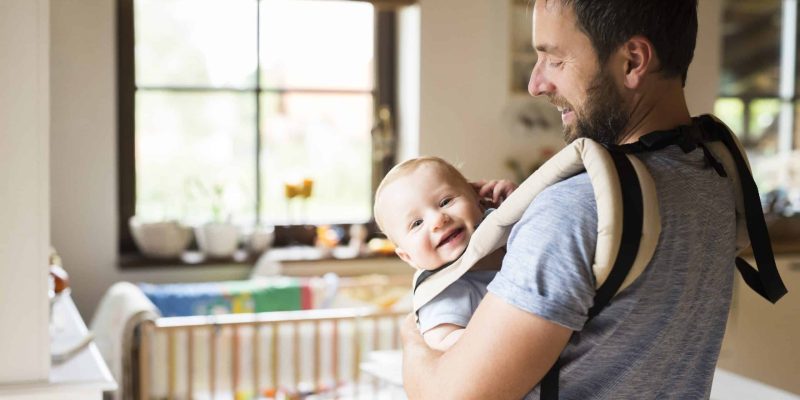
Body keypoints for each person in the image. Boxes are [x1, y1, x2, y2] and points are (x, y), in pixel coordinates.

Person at [401, 0, 740, 398]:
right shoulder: (714, 175)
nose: (536, 84)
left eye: (554, 60)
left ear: (632, 61)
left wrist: (412, 333)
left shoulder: (575, 208)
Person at [373, 156, 516, 351]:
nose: (438, 220)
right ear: (408, 257)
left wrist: (516, 202)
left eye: (445, 201)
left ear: (477, 199)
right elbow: (442, 342)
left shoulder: (503, 229)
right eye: (417, 223)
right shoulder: (443, 291)